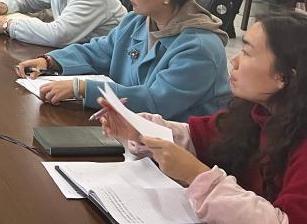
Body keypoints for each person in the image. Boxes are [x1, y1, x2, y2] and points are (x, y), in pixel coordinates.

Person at [96, 12, 307, 224]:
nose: (234, 60)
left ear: (284, 77)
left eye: (247, 52)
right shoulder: (256, 112)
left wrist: (197, 175)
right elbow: (199, 137)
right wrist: (141, 129)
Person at [15, 0, 230, 120]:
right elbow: (100, 51)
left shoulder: (199, 47)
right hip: (130, 126)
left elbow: (155, 102)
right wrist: (50, 61)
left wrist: (83, 88)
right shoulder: (137, 21)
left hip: (176, 146)